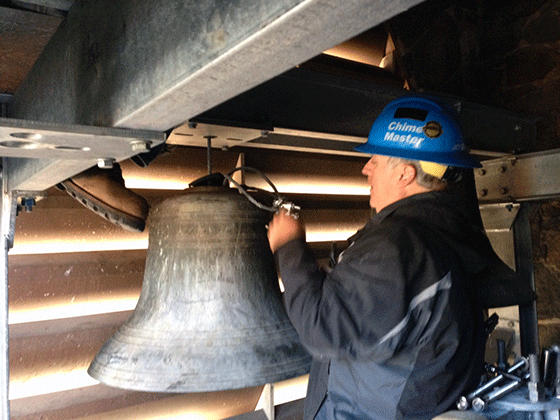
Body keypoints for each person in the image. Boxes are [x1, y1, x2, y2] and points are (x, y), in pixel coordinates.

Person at [267, 95, 526, 420]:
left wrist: (288, 246)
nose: (366, 168)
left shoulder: (400, 246)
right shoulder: (444, 229)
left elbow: (323, 330)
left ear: (405, 174)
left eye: (375, 158)